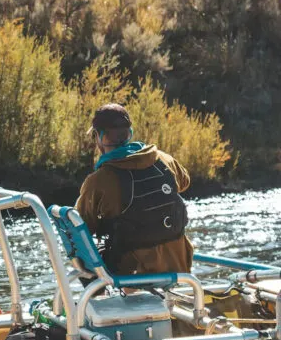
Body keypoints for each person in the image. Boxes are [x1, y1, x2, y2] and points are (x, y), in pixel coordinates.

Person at [75, 103, 193, 276]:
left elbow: (84, 226)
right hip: (179, 264)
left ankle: (99, 299)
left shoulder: (99, 180)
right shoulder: (163, 159)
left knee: (85, 256)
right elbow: (184, 182)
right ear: (129, 133)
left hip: (133, 275)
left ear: (100, 137)